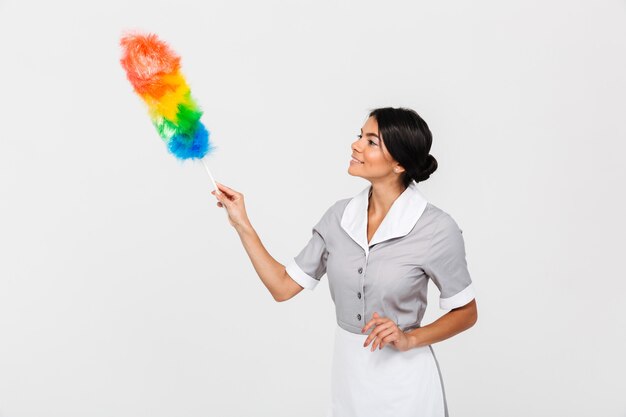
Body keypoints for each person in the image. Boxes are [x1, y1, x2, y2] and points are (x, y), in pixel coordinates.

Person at [211, 107, 478, 417]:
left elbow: (466, 312)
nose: (356, 145)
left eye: (371, 141)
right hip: (349, 381)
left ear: (399, 163)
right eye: (359, 136)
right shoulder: (339, 217)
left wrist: (410, 338)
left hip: (406, 388)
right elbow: (282, 288)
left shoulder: (435, 228)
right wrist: (242, 223)